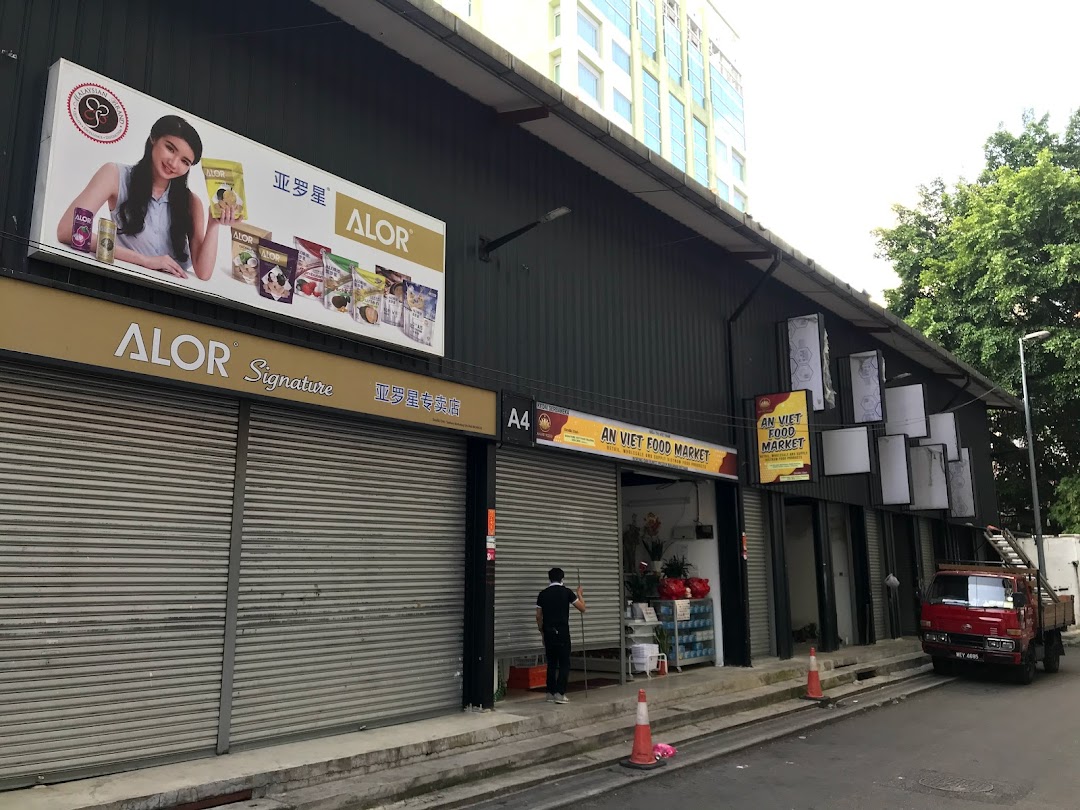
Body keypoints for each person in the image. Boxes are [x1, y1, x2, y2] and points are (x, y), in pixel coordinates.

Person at [56, 114, 237, 281]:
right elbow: (68, 230)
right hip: (124, 283)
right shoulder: (114, 175)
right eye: (170, 148)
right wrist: (144, 260)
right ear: (153, 138)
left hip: (176, 296)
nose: (173, 164)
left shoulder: (191, 202)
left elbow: (203, 273)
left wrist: (214, 224)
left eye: (185, 161)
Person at [536, 567, 586, 704]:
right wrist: (579, 593)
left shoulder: (542, 594)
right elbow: (582, 608)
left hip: (548, 633)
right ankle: (560, 693)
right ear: (562, 578)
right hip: (563, 632)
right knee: (564, 663)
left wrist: (542, 632)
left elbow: (538, 616)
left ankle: (550, 693)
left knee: (551, 663)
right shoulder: (567, 592)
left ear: (549, 578)